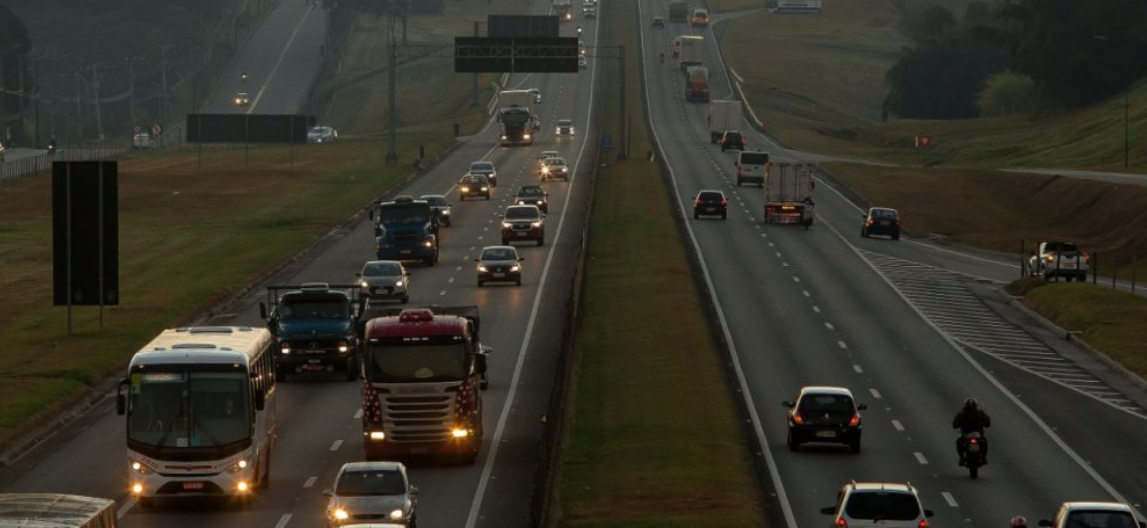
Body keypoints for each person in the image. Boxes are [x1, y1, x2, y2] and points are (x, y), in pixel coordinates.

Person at [952, 397, 990, 465]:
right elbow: (987, 422)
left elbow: (955, 424)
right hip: (975, 434)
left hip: (967, 434)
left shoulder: (961, 414)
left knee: (959, 443)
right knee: (984, 443)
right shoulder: (980, 413)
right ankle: (983, 457)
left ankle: (962, 458)